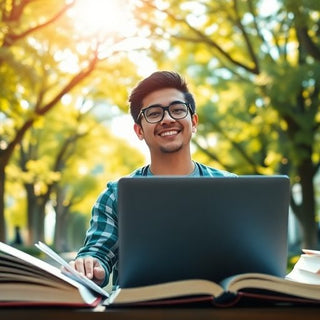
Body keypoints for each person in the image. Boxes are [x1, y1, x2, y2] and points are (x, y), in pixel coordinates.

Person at [70, 71, 236, 288]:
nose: (168, 119)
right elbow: (97, 253)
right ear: (139, 130)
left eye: (177, 110)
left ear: (193, 122)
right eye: (154, 113)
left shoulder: (231, 188)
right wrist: (90, 266)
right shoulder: (116, 194)